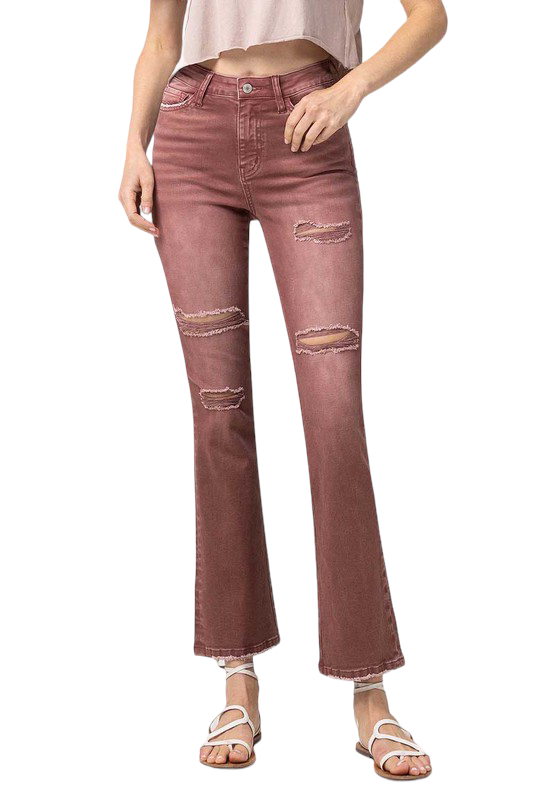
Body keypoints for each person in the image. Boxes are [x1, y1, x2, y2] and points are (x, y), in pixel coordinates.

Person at [119, 0, 447, 779]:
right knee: (217, 414)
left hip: (309, 129)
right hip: (190, 135)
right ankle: (237, 676)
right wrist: (132, 144)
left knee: (333, 414)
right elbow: (161, 39)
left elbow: (429, 16)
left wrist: (352, 87)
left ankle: (369, 689)